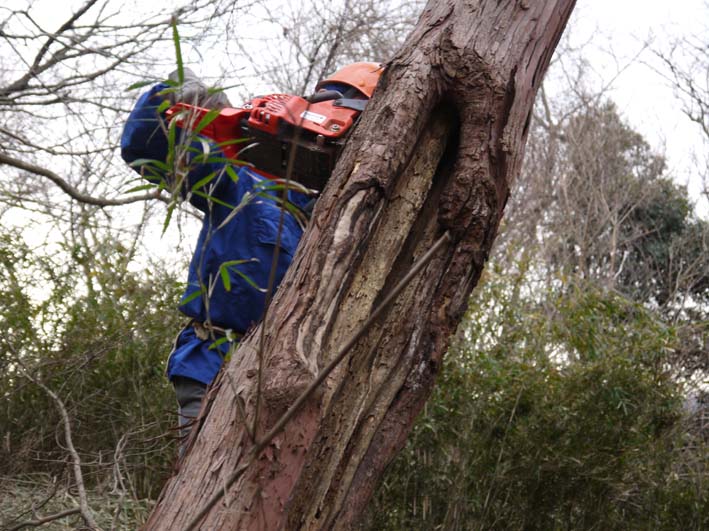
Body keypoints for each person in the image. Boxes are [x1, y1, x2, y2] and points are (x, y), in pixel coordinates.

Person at [120, 63, 382, 445]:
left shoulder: (354, 220)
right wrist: (184, 95)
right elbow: (146, 145)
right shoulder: (241, 181)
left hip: (294, 386)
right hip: (216, 365)